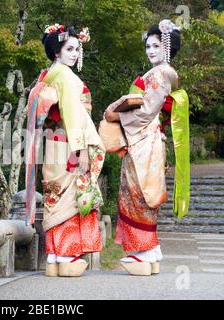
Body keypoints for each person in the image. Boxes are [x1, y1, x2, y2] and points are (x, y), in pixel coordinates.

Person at [104, 19, 190, 276]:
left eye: (155, 46)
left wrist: (115, 115)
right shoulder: (166, 74)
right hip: (149, 139)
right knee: (144, 194)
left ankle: (144, 251)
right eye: (148, 47)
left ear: (166, 47)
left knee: (136, 193)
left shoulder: (159, 74)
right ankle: (150, 251)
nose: (150, 51)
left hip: (143, 138)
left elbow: (146, 111)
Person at [25, 24, 106, 277]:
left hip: (54, 145)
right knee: (71, 199)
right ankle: (68, 256)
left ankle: (53, 258)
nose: (74, 53)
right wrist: (82, 150)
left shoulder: (47, 76)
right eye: (69, 49)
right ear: (56, 52)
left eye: (76, 49)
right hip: (70, 144)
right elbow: (72, 115)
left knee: (54, 197)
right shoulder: (68, 77)